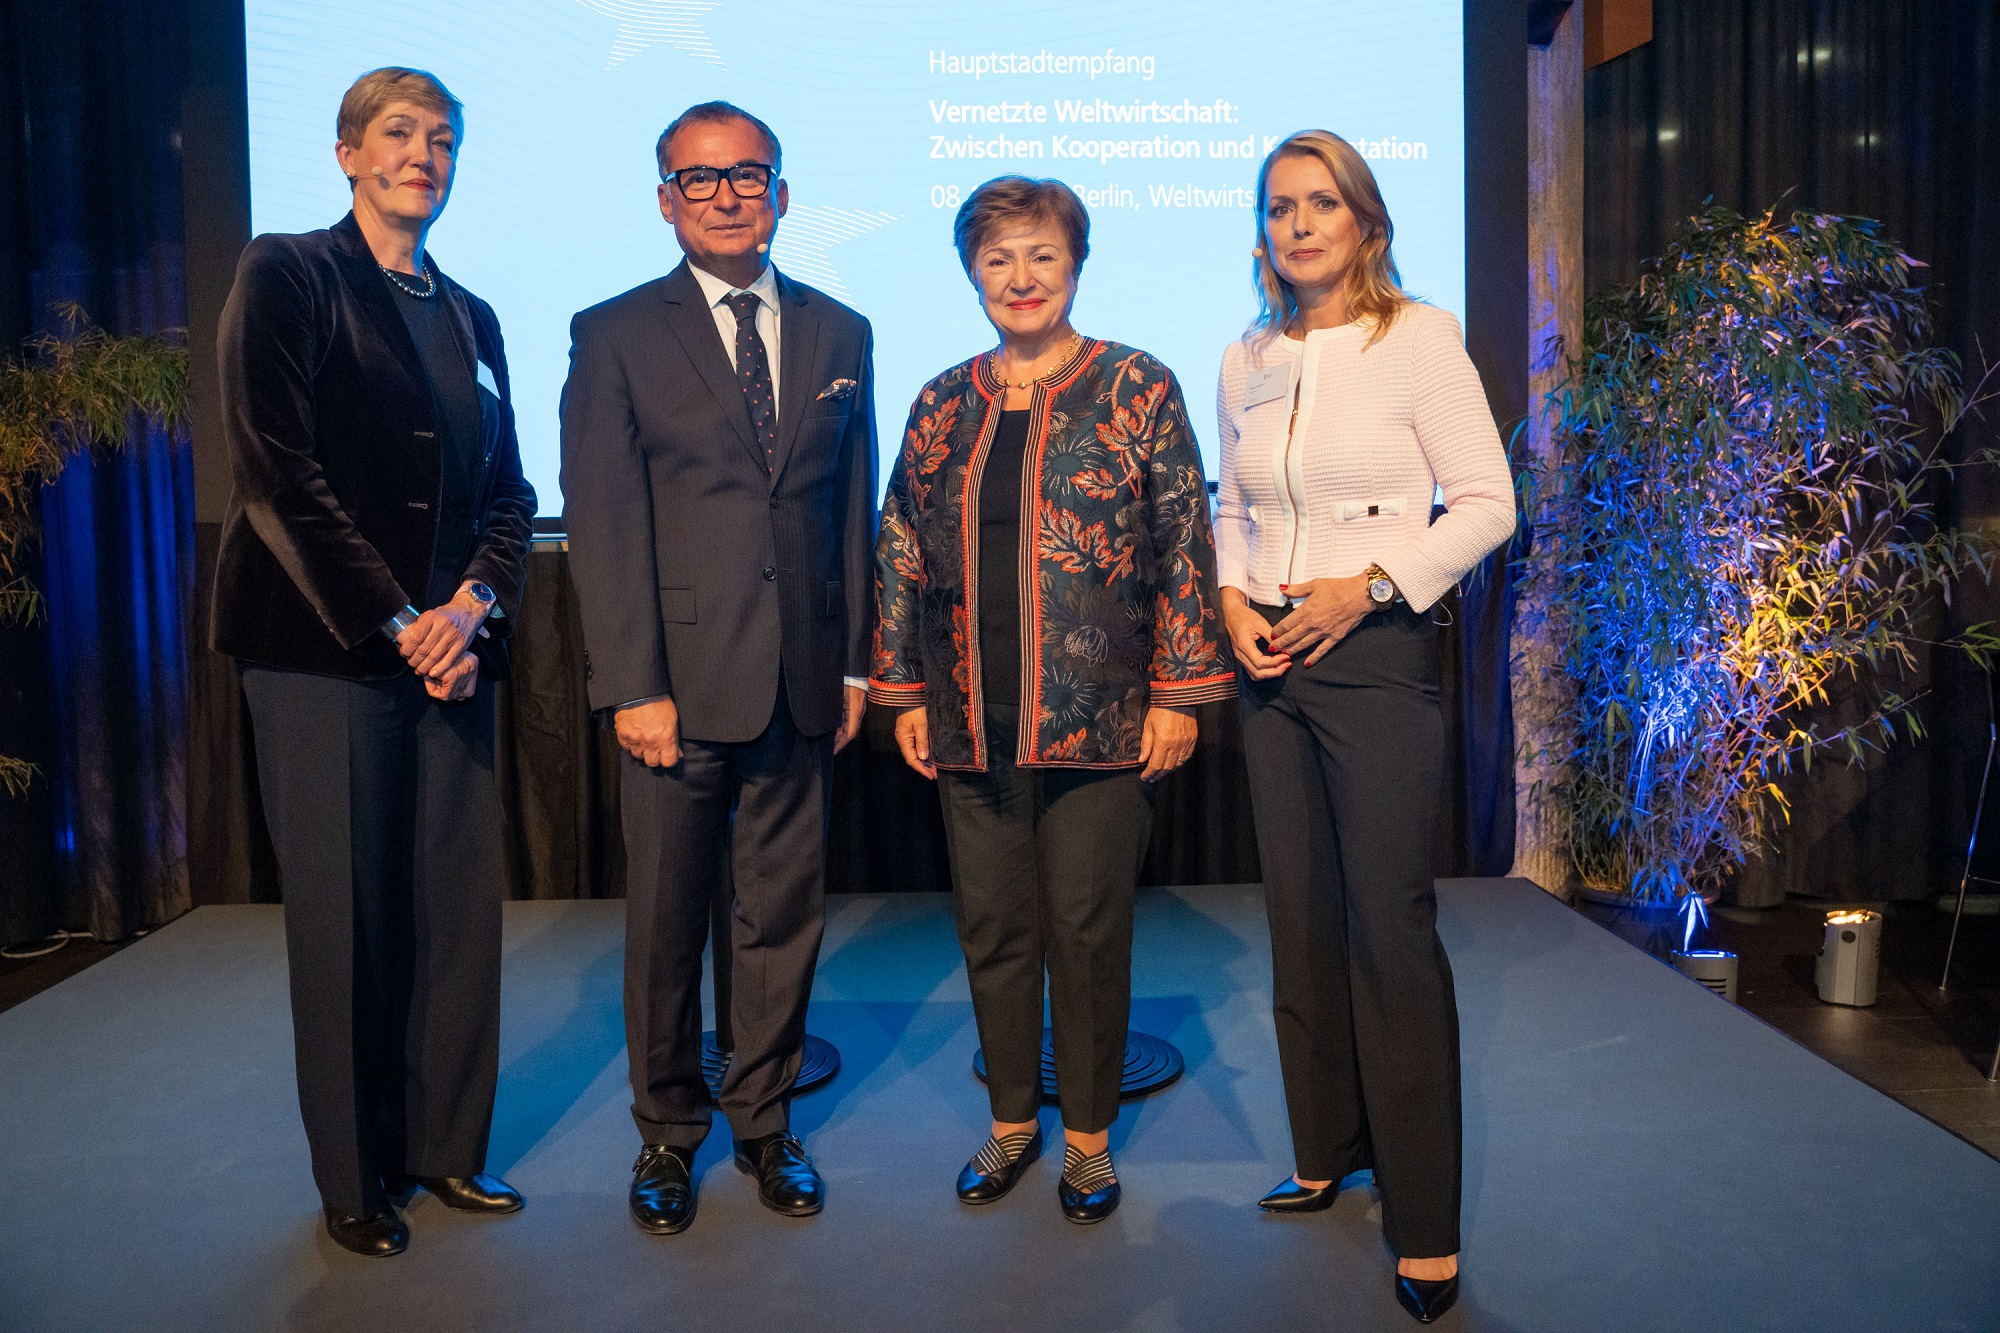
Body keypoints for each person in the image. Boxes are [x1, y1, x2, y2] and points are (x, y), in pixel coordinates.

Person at [210, 67, 536, 1257]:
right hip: (324, 657)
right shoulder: (288, 271)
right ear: (348, 153)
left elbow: (511, 494)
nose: (424, 155)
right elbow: (274, 470)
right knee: (346, 923)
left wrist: (475, 603)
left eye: (443, 139)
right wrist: (403, 620)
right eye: (399, 134)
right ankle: (354, 1179)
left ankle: (444, 1151)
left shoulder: (473, 313)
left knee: (452, 919)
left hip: (452, 656)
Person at [872, 175, 1233, 1224]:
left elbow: (1181, 542)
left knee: (1084, 929)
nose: (1020, 278)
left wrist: (1178, 693)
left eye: (1040, 255)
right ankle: (1011, 1123)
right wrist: (901, 689)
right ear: (971, 274)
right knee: (990, 927)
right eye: (997, 259)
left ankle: (1084, 1138)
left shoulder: (1135, 385)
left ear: (1073, 265)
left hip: (1102, 720)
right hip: (968, 719)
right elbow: (899, 545)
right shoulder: (941, 399)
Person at [1213, 130, 1515, 1323]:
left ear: (1364, 221)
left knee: (1387, 930)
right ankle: (1324, 1147)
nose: (1298, 224)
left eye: (1320, 203)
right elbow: (1233, 505)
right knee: (1300, 917)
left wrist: (1371, 584)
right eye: (1278, 206)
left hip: (1375, 653)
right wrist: (1234, 599)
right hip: (1270, 659)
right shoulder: (1244, 355)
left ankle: (1425, 1219)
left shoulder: (1418, 337)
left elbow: (1490, 503)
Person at [560, 101, 875, 1235]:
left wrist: (852, 667)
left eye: (749, 174)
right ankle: (665, 1132)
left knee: (781, 915)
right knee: (665, 919)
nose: (729, 194)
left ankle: (764, 1123)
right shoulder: (614, 334)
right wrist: (630, 684)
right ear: (665, 201)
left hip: (801, 679)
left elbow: (847, 513)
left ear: (781, 193)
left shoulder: (842, 330)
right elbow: (599, 524)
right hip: (675, 690)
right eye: (701, 180)